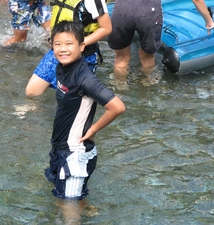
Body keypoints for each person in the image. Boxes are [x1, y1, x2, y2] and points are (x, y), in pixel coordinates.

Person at [44, 21, 125, 200]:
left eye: (68, 44)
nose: (62, 49)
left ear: (81, 46)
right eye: (57, 44)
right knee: (60, 198)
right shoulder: (61, 67)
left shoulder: (85, 78)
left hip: (75, 153)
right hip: (60, 148)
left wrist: (93, 130)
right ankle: (87, 209)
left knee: (69, 209)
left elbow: (117, 107)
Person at [25, 0, 112, 97]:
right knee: (31, 92)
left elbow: (106, 28)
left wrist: (79, 44)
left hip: (83, 56)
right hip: (58, 51)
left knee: (71, 97)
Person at [106, 0, 163, 78]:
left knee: (121, 58)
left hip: (123, 8)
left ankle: (120, 86)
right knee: (147, 58)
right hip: (149, 9)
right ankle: (148, 86)